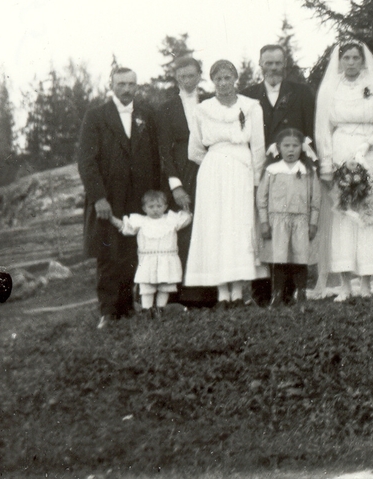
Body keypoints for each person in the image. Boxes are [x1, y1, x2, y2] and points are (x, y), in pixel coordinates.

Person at [77, 66, 162, 328]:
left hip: (139, 198)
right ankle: (108, 311)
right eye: (121, 84)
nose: (126, 89)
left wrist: (154, 196)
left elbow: (155, 157)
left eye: (131, 84)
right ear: (111, 85)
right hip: (110, 199)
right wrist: (98, 198)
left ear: (137, 86)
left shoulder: (146, 114)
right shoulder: (96, 116)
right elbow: (86, 161)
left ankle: (128, 307)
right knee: (108, 254)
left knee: (133, 253)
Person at [313, 40, 373, 300]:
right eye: (346, 57)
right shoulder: (330, 88)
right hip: (340, 149)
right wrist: (327, 163)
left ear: (362, 60)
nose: (351, 62)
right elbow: (323, 129)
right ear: (339, 61)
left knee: (369, 211)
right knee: (342, 212)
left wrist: (369, 142)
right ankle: (346, 284)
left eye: (355, 57)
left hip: (368, 151)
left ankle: (368, 282)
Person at [183, 59, 266, 308]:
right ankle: (222, 294)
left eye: (227, 77)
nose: (223, 83)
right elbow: (195, 150)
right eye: (218, 78)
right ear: (212, 81)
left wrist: (256, 180)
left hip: (242, 170)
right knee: (216, 227)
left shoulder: (251, 107)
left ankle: (238, 293)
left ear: (235, 79)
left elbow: (258, 147)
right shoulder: (202, 110)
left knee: (239, 226)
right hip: (213, 173)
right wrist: (216, 162)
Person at [242, 43, 317, 305]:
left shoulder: (301, 92)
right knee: (264, 228)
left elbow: (310, 131)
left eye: (277, 63)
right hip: (261, 168)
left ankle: (289, 291)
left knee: (291, 228)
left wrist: (309, 163)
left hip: (292, 169)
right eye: (268, 63)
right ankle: (262, 291)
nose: (273, 68)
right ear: (260, 64)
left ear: (284, 64)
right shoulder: (248, 95)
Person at [156, 55, 214, 307]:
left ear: (199, 75)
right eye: (182, 77)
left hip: (209, 169)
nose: (187, 81)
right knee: (185, 231)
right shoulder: (166, 108)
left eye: (191, 75)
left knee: (208, 228)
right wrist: (176, 186)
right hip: (181, 171)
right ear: (176, 78)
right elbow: (164, 150)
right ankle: (187, 296)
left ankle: (211, 293)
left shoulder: (212, 102)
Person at [257, 128, 321, 306]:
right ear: (278, 147)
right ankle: (277, 294)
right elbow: (261, 198)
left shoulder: (308, 171)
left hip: (301, 222)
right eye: (286, 146)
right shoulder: (272, 170)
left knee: (300, 258)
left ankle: (301, 293)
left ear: (302, 147)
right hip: (277, 222)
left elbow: (315, 199)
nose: (291, 150)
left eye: (295, 146)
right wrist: (264, 222)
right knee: (279, 259)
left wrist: (313, 223)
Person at [109, 189, 192, 319]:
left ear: (165, 207)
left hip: (167, 259)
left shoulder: (171, 219)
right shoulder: (141, 221)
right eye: (151, 207)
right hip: (148, 260)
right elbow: (125, 227)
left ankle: (160, 309)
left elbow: (186, 218)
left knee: (165, 285)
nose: (155, 210)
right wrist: (111, 218)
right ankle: (146, 310)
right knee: (147, 285)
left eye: (159, 206)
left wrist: (186, 208)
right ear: (144, 208)